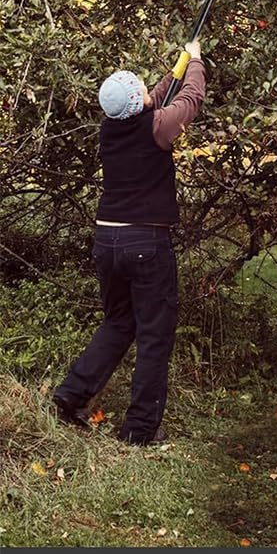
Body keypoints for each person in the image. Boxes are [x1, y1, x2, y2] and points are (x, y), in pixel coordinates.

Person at [53, 42, 206, 445]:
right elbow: (191, 100)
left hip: (108, 239)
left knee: (119, 322)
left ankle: (71, 394)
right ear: (137, 102)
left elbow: (156, 97)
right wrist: (197, 60)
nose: (144, 89)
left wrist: (179, 65)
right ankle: (140, 429)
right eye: (139, 87)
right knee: (155, 334)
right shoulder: (157, 126)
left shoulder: (112, 127)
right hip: (145, 241)